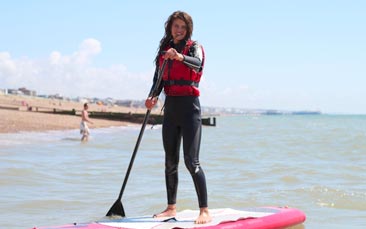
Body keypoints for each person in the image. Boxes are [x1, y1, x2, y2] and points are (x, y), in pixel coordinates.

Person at [145, 11, 211, 224]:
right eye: (176, 26)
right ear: (170, 28)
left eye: (183, 27)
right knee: (170, 162)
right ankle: (171, 208)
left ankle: (204, 210)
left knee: (191, 162)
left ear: (188, 29)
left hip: (190, 109)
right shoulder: (163, 52)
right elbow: (158, 79)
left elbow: (198, 65)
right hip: (171, 109)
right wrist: (152, 96)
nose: (179, 30)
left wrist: (180, 56)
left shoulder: (194, 48)